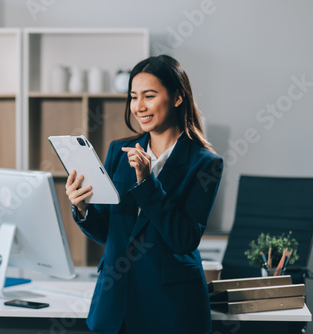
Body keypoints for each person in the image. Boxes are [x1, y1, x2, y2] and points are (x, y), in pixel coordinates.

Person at [65, 55, 223, 334]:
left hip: (170, 308)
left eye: (149, 96)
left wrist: (148, 183)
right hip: (115, 303)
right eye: (133, 97)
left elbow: (184, 239)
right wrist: (83, 209)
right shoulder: (118, 151)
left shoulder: (204, 163)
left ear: (177, 97)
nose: (139, 107)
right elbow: (109, 232)